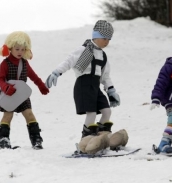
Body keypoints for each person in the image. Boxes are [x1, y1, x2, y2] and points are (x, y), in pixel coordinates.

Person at [45, 20, 128, 154]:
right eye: (104, 38)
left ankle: (102, 137)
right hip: (83, 85)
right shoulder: (83, 50)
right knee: (92, 113)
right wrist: (57, 72)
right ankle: (86, 141)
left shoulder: (103, 55)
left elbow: (105, 76)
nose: (107, 42)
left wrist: (111, 90)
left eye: (109, 39)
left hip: (95, 86)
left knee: (107, 111)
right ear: (95, 36)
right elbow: (69, 61)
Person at [0, 31, 49, 150]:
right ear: (10, 48)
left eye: (23, 49)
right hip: (8, 93)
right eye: (17, 49)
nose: (20, 52)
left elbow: (34, 77)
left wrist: (41, 86)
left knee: (29, 114)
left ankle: (36, 139)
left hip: (22, 95)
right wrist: (6, 87)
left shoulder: (25, 64)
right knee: (8, 116)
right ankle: (3, 139)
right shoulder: (5, 64)